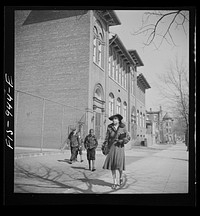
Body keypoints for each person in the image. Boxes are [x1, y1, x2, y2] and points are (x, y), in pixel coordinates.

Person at [102, 114, 130, 189]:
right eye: (113, 119)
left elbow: (128, 137)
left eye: (115, 119)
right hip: (112, 147)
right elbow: (107, 138)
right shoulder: (109, 127)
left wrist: (122, 140)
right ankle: (114, 182)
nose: (114, 120)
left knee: (119, 165)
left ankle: (120, 177)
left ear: (119, 120)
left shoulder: (123, 127)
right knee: (112, 165)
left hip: (120, 147)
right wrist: (105, 146)